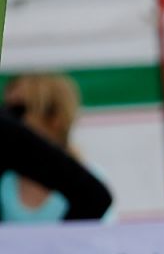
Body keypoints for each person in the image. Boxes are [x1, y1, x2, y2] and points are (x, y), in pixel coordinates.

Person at [1, 73, 114, 223]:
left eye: (18, 111)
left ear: (55, 119)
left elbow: (100, 236)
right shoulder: (6, 179)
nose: (10, 121)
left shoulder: (91, 178)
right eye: (4, 111)